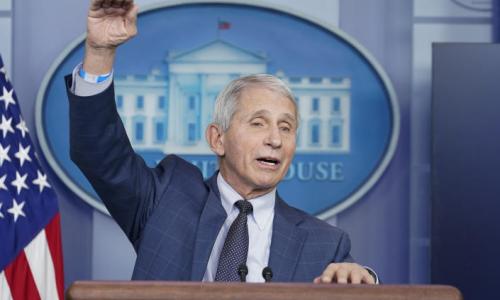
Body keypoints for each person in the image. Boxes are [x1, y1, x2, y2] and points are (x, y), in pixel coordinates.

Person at [66, 0, 378, 284]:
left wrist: (364, 283)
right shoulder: (164, 202)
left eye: (286, 127)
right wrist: (100, 52)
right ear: (218, 139)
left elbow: (352, 281)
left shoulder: (325, 244)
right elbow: (100, 154)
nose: (275, 139)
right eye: (258, 123)